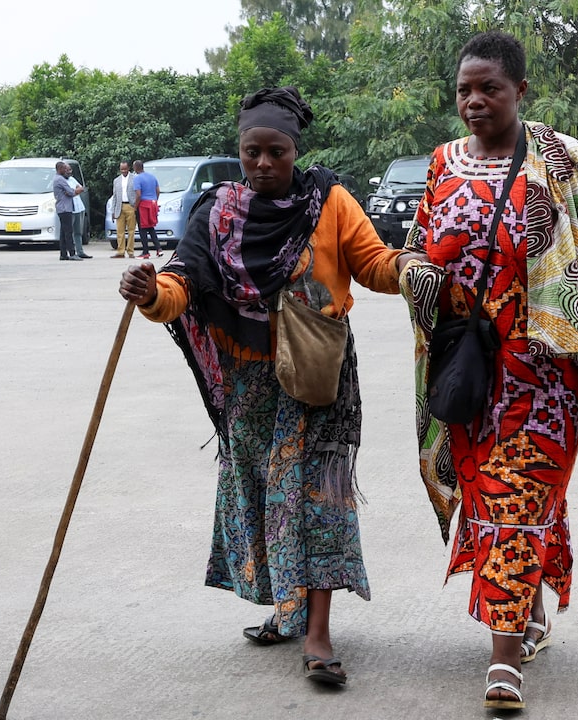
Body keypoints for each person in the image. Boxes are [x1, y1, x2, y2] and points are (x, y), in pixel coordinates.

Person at [118, 86, 425, 686]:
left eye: (275, 152)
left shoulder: (329, 201)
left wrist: (411, 265)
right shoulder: (215, 212)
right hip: (250, 387)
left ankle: (318, 634)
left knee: (317, 500)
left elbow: (372, 263)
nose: (262, 164)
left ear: (294, 150)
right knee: (263, 495)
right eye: (251, 152)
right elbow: (182, 284)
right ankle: (287, 610)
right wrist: (151, 292)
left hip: (316, 375)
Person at [400, 31, 578, 710]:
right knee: (493, 500)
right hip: (468, 370)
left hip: (547, 376)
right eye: (464, 89)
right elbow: (416, 246)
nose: (474, 100)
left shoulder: (561, 159)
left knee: (516, 501)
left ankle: (504, 658)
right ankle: (529, 607)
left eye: (489, 88)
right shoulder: (442, 162)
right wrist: (416, 274)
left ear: (519, 90)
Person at [52, 162, 83, 261]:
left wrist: (71, 191)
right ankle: (72, 253)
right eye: (64, 169)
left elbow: (69, 192)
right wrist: (77, 191)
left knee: (63, 232)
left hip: (62, 208)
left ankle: (63, 254)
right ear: (60, 169)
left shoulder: (57, 178)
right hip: (65, 208)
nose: (66, 171)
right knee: (68, 232)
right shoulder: (60, 179)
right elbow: (70, 192)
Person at [131, 160, 161, 258]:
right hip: (153, 203)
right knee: (151, 227)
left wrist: (135, 207)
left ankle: (146, 252)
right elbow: (158, 191)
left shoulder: (137, 178)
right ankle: (159, 249)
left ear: (135, 168)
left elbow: (138, 195)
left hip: (143, 205)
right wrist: (155, 200)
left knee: (142, 228)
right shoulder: (152, 177)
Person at [110, 161, 137, 258]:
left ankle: (130, 251)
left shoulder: (134, 178)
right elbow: (114, 196)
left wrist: (135, 206)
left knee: (131, 230)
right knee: (120, 231)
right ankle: (120, 251)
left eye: (125, 169)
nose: (123, 171)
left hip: (130, 206)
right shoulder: (116, 180)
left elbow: (138, 193)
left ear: (128, 168)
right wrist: (113, 210)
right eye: (122, 169)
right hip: (119, 207)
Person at [68, 172, 92, 259]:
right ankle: (71, 252)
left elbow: (81, 188)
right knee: (69, 232)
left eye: (70, 170)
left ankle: (80, 251)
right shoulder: (61, 181)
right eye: (67, 170)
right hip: (70, 209)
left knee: (78, 231)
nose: (69, 172)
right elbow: (68, 192)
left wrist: (74, 191)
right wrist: (75, 191)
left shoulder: (72, 179)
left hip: (79, 207)